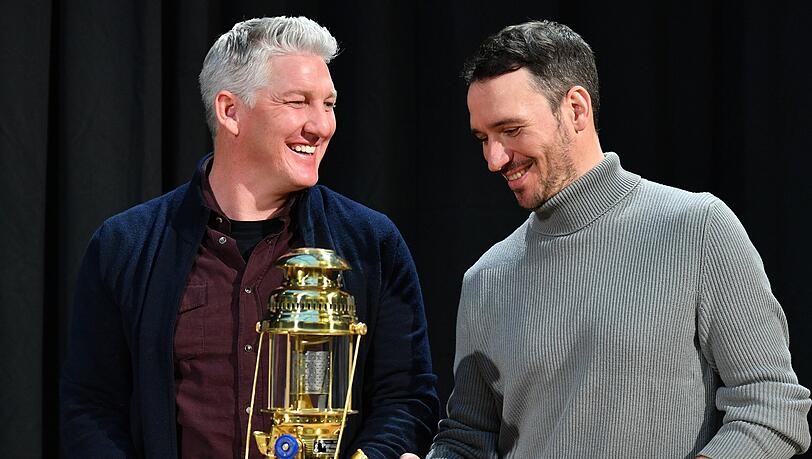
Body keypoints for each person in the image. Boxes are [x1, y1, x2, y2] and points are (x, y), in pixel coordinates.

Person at [405, 20, 811, 459]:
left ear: (576, 110)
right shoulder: (486, 277)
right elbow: (467, 440)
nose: (494, 158)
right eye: (483, 138)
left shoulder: (698, 229)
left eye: (511, 130)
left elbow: (772, 407)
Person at [60, 16, 439, 459]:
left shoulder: (371, 243)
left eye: (329, 104)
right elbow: (91, 409)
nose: (322, 125)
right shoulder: (124, 245)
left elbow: (406, 398)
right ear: (230, 111)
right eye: (298, 102)